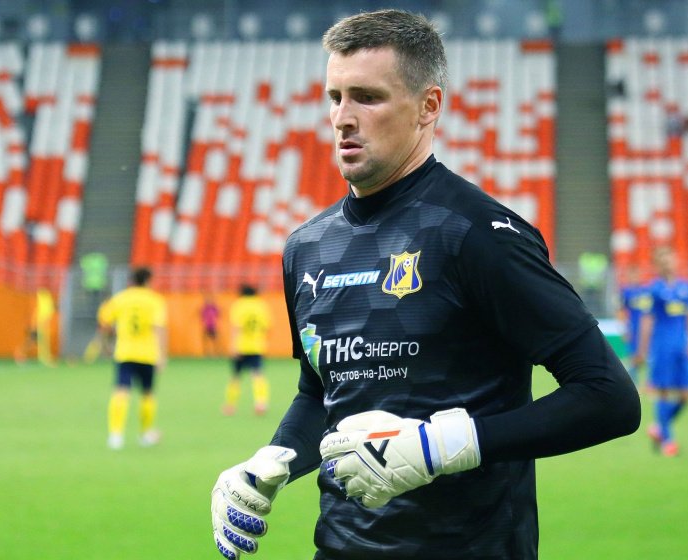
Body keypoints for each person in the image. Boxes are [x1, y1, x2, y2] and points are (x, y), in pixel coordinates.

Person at [210, 10, 640, 560]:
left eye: (367, 97)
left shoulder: (477, 234)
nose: (343, 118)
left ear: (428, 107)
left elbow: (608, 398)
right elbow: (320, 393)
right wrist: (271, 461)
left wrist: (442, 448)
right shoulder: (307, 247)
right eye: (335, 97)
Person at [635, 246, 688, 458]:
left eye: (670, 259)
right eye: (663, 261)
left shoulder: (686, 287)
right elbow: (647, 320)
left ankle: (660, 427)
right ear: (657, 265)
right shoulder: (653, 290)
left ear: (676, 261)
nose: (668, 264)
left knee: (687, 396)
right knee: (662, 391)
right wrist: (642, 350)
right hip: (662, 346)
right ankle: (668, 441)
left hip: (681, 346)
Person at [99, 267, 167, 450]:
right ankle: (145, 435)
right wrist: (162, 355)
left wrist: (107, 342)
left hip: (125, 352)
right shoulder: (154, 300)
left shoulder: (120, 298)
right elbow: (159, 328)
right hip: (148, 354)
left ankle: (115, 436)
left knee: (121, 392)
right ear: (148, 281)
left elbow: (104, 321)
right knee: (147, 394)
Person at [222, 284, 272, 416]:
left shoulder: (239, 305)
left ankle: (230, 406)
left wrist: (233, 346)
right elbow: (266, 327)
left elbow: (236, 327)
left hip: (241, 346)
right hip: (257, 346)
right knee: (258, 375)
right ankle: (261, 403)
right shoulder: (261, 305)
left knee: (236, 377)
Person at [618, 264, 652, 384]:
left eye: (635, 275)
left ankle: (646, 379)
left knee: (644, 354)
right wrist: (623, 329)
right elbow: (621, 311)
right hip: (632, 327)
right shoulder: (625, 291)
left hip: (645, 327)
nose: (634, 277)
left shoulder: (645, 291)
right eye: (631, 275)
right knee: (633, 354)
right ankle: (633, 380)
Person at [200, 293, 222, 357]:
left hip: (213, 326)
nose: (208, 301)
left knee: (215, 339)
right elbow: (202, 316)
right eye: (207, 300)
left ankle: (216, 352)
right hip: (206, 326)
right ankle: (206, 352)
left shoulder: (214, 308)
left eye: (209, 300)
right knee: (206, 340)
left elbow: (218, 314)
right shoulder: (204, 308)